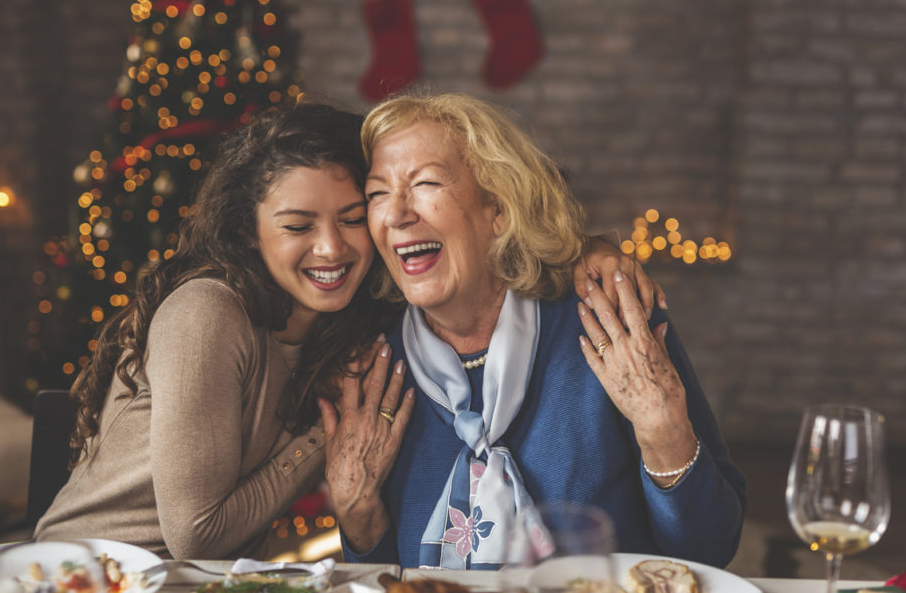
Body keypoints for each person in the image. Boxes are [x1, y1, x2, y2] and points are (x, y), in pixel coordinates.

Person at [34, 103, 657, 560]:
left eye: (354, 216)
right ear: (252, 233)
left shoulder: (359, 322)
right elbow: (197, 534)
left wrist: (591, 251)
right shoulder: (209, 313)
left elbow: (503, 242)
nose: (331, 248)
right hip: (85, 572)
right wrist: (319, 438)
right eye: (297, 224)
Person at [321, 93, 746, 570]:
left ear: (498, 209)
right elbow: (378, 577)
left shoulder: (608, 319)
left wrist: (663, 432)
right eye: (377, 193)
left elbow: (711, 550)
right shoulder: (375, 364)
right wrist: (357, 514)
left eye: (426, 183)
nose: (396, 214)